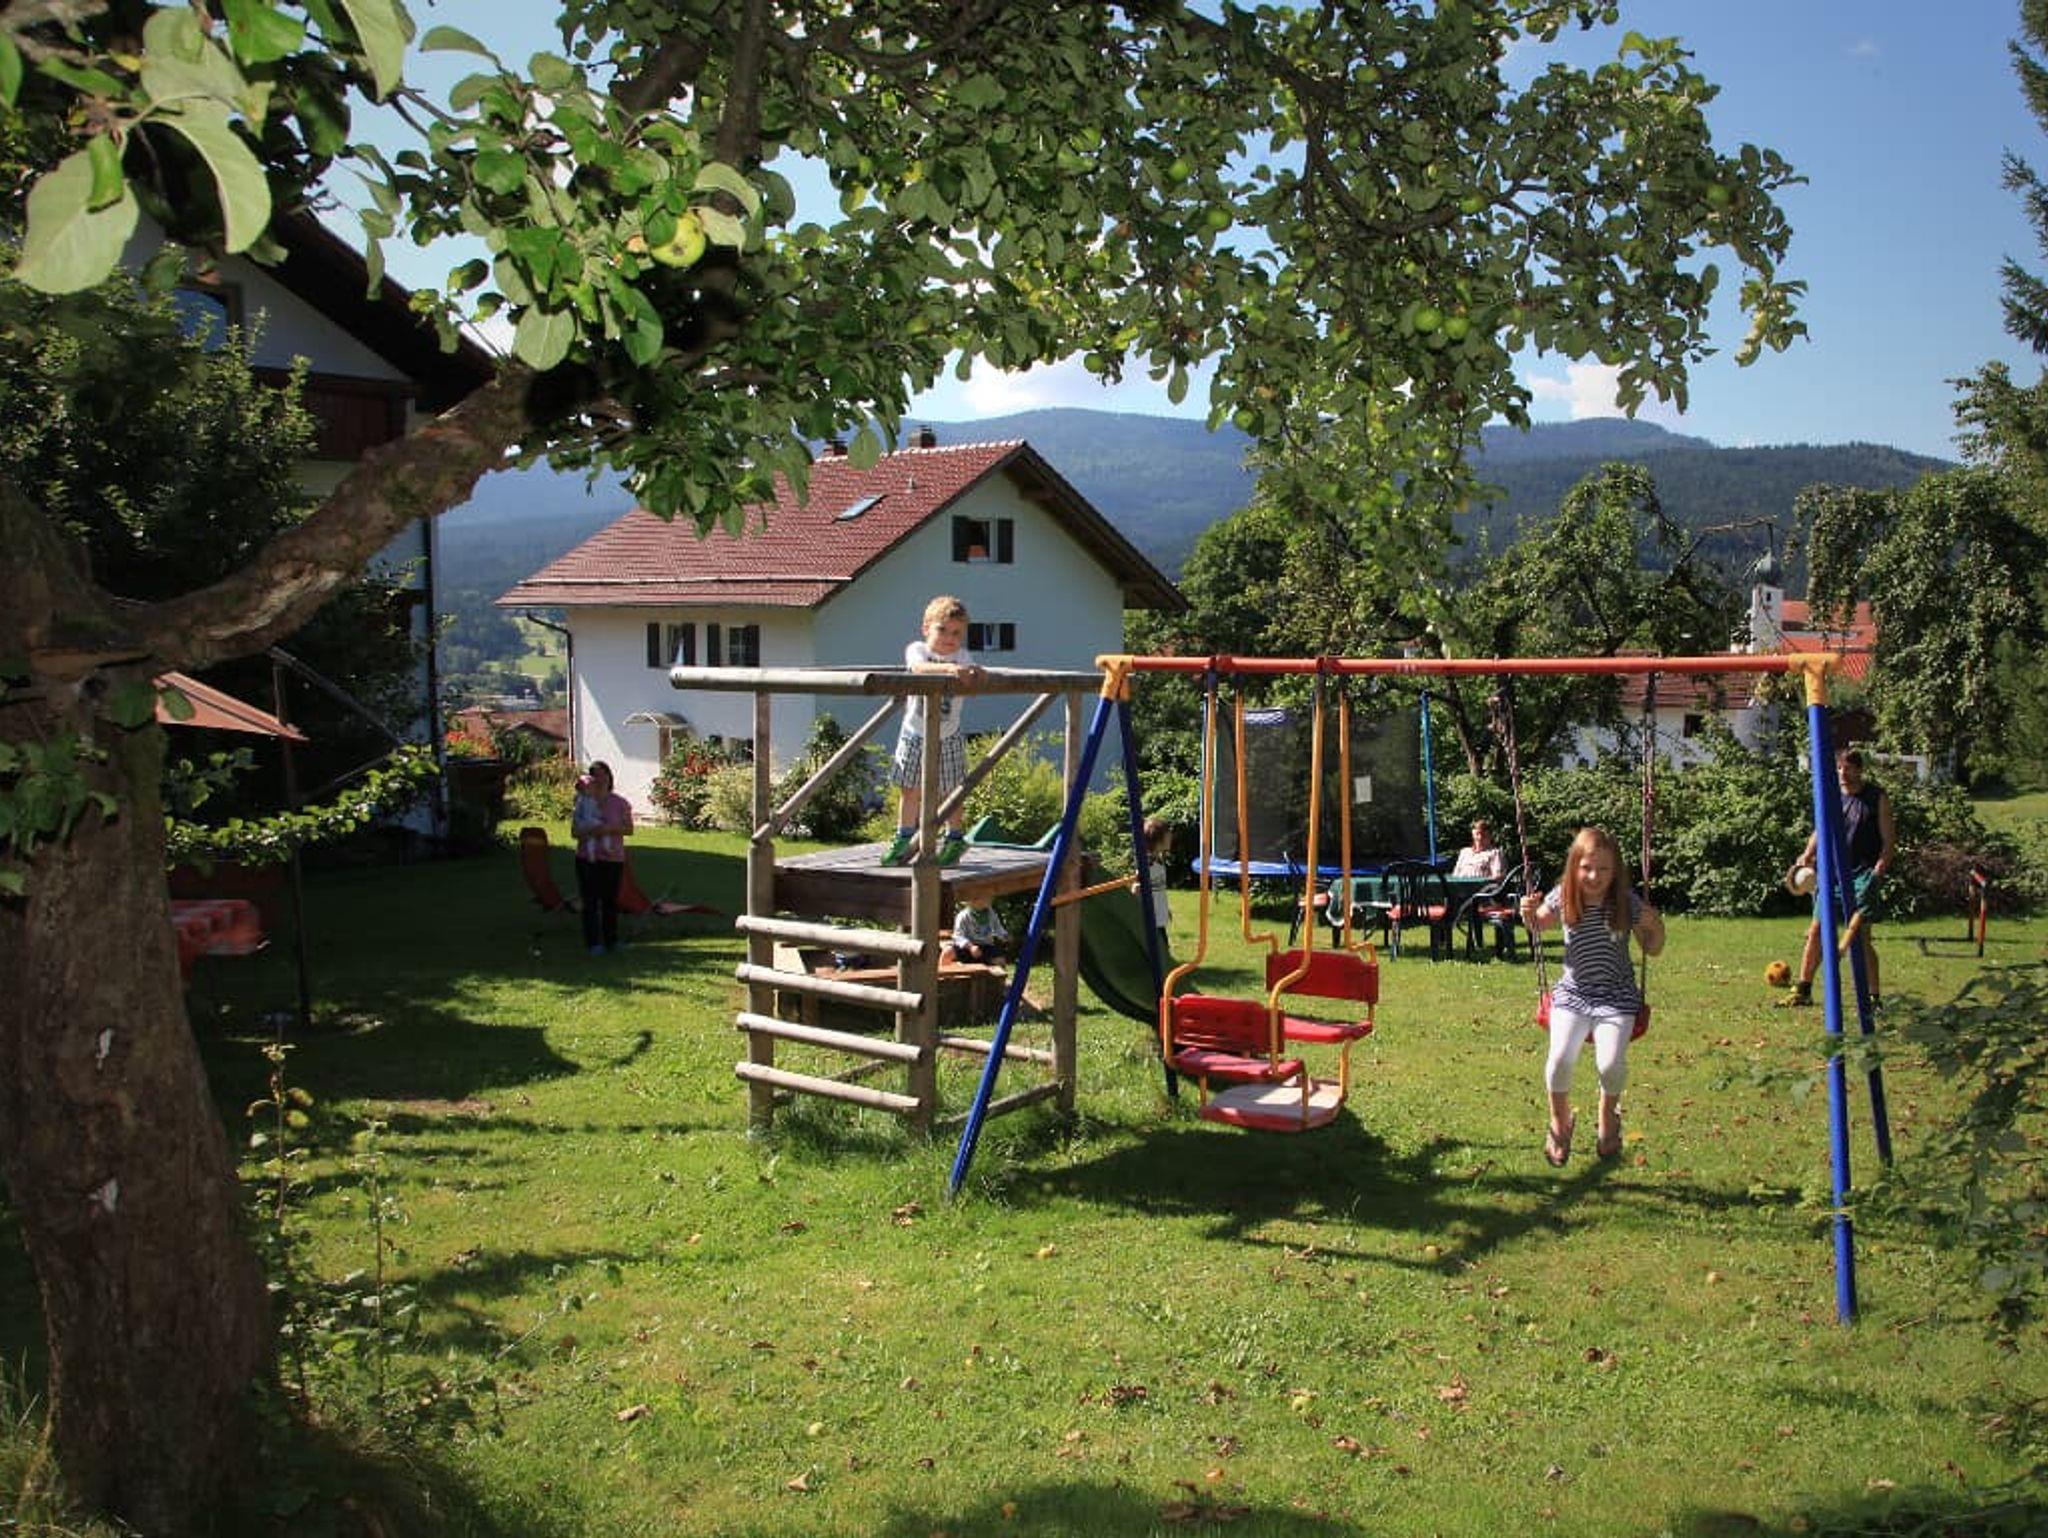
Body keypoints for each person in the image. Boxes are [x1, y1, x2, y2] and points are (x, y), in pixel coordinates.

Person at [1520, 826, 1665, 1166]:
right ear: (1574, 866)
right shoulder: (1564, 895)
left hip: (1617, 998)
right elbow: (1539, 924)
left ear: (1615, 871)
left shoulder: (1625, 902)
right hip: (1573, 995)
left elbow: (1653, 948)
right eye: (1586, 867)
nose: (1594, 876)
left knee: (1610, 1064)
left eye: (1603, 869)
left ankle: (1608, 1115)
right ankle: (1560, 1120)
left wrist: (1654, 924)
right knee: (1559, 1059)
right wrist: (1529, 913)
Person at [1779, 747, 1896, 1007]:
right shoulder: (1833, 796)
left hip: (1862, 876)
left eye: (1848, 768)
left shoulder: (1876, 797)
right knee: (1816, 931)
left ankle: (1873, 997)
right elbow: (1820, 830)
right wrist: (1807, 854)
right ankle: (1803, 990)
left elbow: (1889, 841)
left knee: (1861, 939)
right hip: (1830, 875)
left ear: (1860, 770)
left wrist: (1878, 871)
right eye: (1839, 768)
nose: (1843, 773)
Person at [883, 595, 983, 866]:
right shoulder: (918, 650)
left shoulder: (963, 656)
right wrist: (950, 669)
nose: (949, 638)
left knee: (952, 789)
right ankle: (904, 836)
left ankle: (955, 837)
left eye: (957, 633)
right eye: (943, 630)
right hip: (915, 731)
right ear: (926, 628)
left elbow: (972, 678)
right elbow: (918, 668)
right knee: (909, 788)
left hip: (948, 733)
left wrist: (974, 674)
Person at [571, 760, 634, 955]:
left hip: (613, 858)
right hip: (587, 858)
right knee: (590, 901)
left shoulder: (620, 803)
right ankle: (593, 943)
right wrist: (591, 831)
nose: (600, 779)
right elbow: (574, 832)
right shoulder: (583, 801)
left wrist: (609, 829)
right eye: (595, 775)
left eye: (603, 774)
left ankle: (611, 941)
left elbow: (629, 829)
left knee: (610, 901)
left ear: (609, 777)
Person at [1141, 817, 1174, 949]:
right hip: (1151, 918)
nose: (1171, 836)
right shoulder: (1147, 863)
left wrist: (1165, 909)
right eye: (1167, 834)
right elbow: (1138, 886)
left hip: (1159, 917)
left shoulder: (1158, 860)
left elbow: (1159, 890)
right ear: (1158, 839)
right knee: (1159, 950)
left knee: (1163, 949)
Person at [951, 900, 1010, 964]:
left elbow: (998, 928)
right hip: (968, 947)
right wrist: (970, 946)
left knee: (1000, 960)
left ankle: (991, 965)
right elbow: (958, 936)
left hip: (986, 946)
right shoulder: (963, 916)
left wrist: (1004, 936)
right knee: (950, 952)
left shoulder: (991, 914)